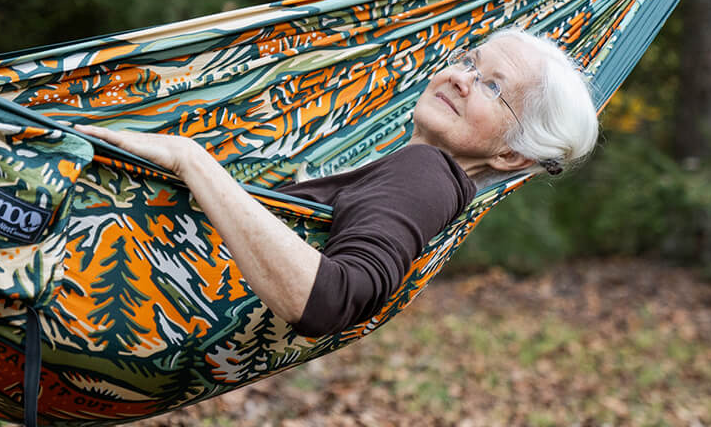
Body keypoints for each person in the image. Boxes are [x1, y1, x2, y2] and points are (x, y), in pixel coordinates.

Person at [77, 28, 598, 337]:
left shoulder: (426, 174)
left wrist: (191, 160)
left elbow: (331, 299)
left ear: (511, 153)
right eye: (469, 60)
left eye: (491, 87)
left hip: (91, 286)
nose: (461, 77)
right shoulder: (425, 174)